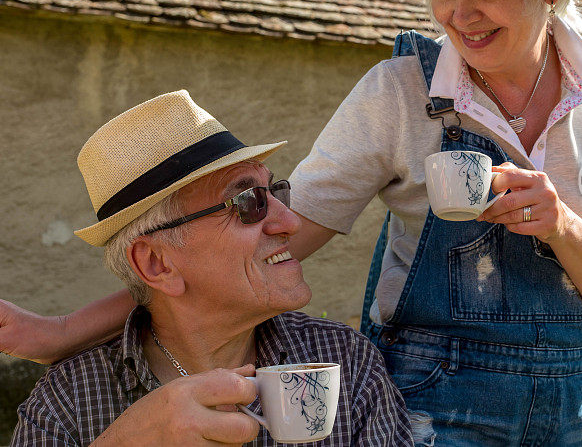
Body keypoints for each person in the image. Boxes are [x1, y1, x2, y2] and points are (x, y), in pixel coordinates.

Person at [1, 0, 582, 445]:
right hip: (434, 401)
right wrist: (63, 333)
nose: (458, 15)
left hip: (575, 402)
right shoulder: (399, 93)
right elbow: (242, 252)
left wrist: (564, 225)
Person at [8, 91, 412, 446]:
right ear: (156, 263)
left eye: (276, 192)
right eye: (249, 202)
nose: (291, 222)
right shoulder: (67, 403)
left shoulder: (346, 363)